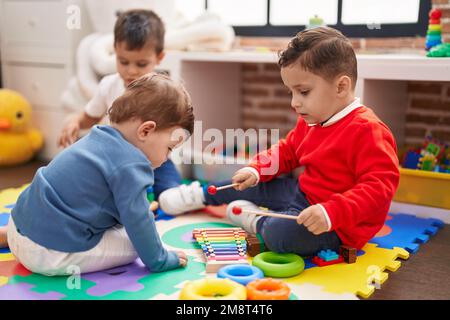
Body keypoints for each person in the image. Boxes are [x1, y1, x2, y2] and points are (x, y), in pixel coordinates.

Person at [159, 27, 400, 256]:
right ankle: (200, 195)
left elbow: (379, 188)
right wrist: (257, 169)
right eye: (291, 92)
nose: (294, 102)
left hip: (338, 225)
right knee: (246, 183)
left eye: (303, 92)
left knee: (280, 235)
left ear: (341, 86)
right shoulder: (312, 119)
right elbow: (288, 150)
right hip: (303, 193)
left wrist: (331, 212)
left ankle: (254, 219)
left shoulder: (368, 130)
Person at [1, 73, 194, 275]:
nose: (166, 158)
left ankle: (10, 237)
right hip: (48, 253)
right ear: (145, 131)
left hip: (18, 227)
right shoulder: (132, 165)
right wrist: (160, 259)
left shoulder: (98, 135)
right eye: (170, 148)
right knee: (135, 243)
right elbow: (138, 222)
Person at [58, 9, 181, 199]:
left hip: (156, 163)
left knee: (172, 196)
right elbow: (89, 118)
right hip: (116, 163)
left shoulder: (164, 91)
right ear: (115, 51)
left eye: (141, 64)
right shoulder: (108, 85)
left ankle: (191, 195)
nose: (131, 71)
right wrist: (74, 121)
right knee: (86, 191)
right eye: (123, 62)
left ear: (159, 57)